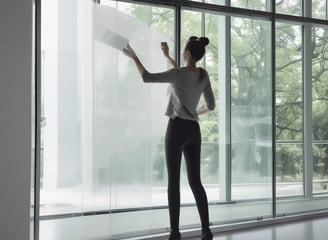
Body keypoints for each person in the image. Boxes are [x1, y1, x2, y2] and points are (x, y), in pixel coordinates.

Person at [123, 36, 215, 240]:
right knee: (196, 183)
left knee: (174, 182)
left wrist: (134, 56)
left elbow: (147, 77)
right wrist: (194, 113)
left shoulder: (179, 73)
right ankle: (206, 231)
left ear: (188, 53)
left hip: (177, 129)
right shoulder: (202, 75)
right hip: (194, 131)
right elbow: (210, 105)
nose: (182, 53)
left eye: (184, 50)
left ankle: (175, 232)